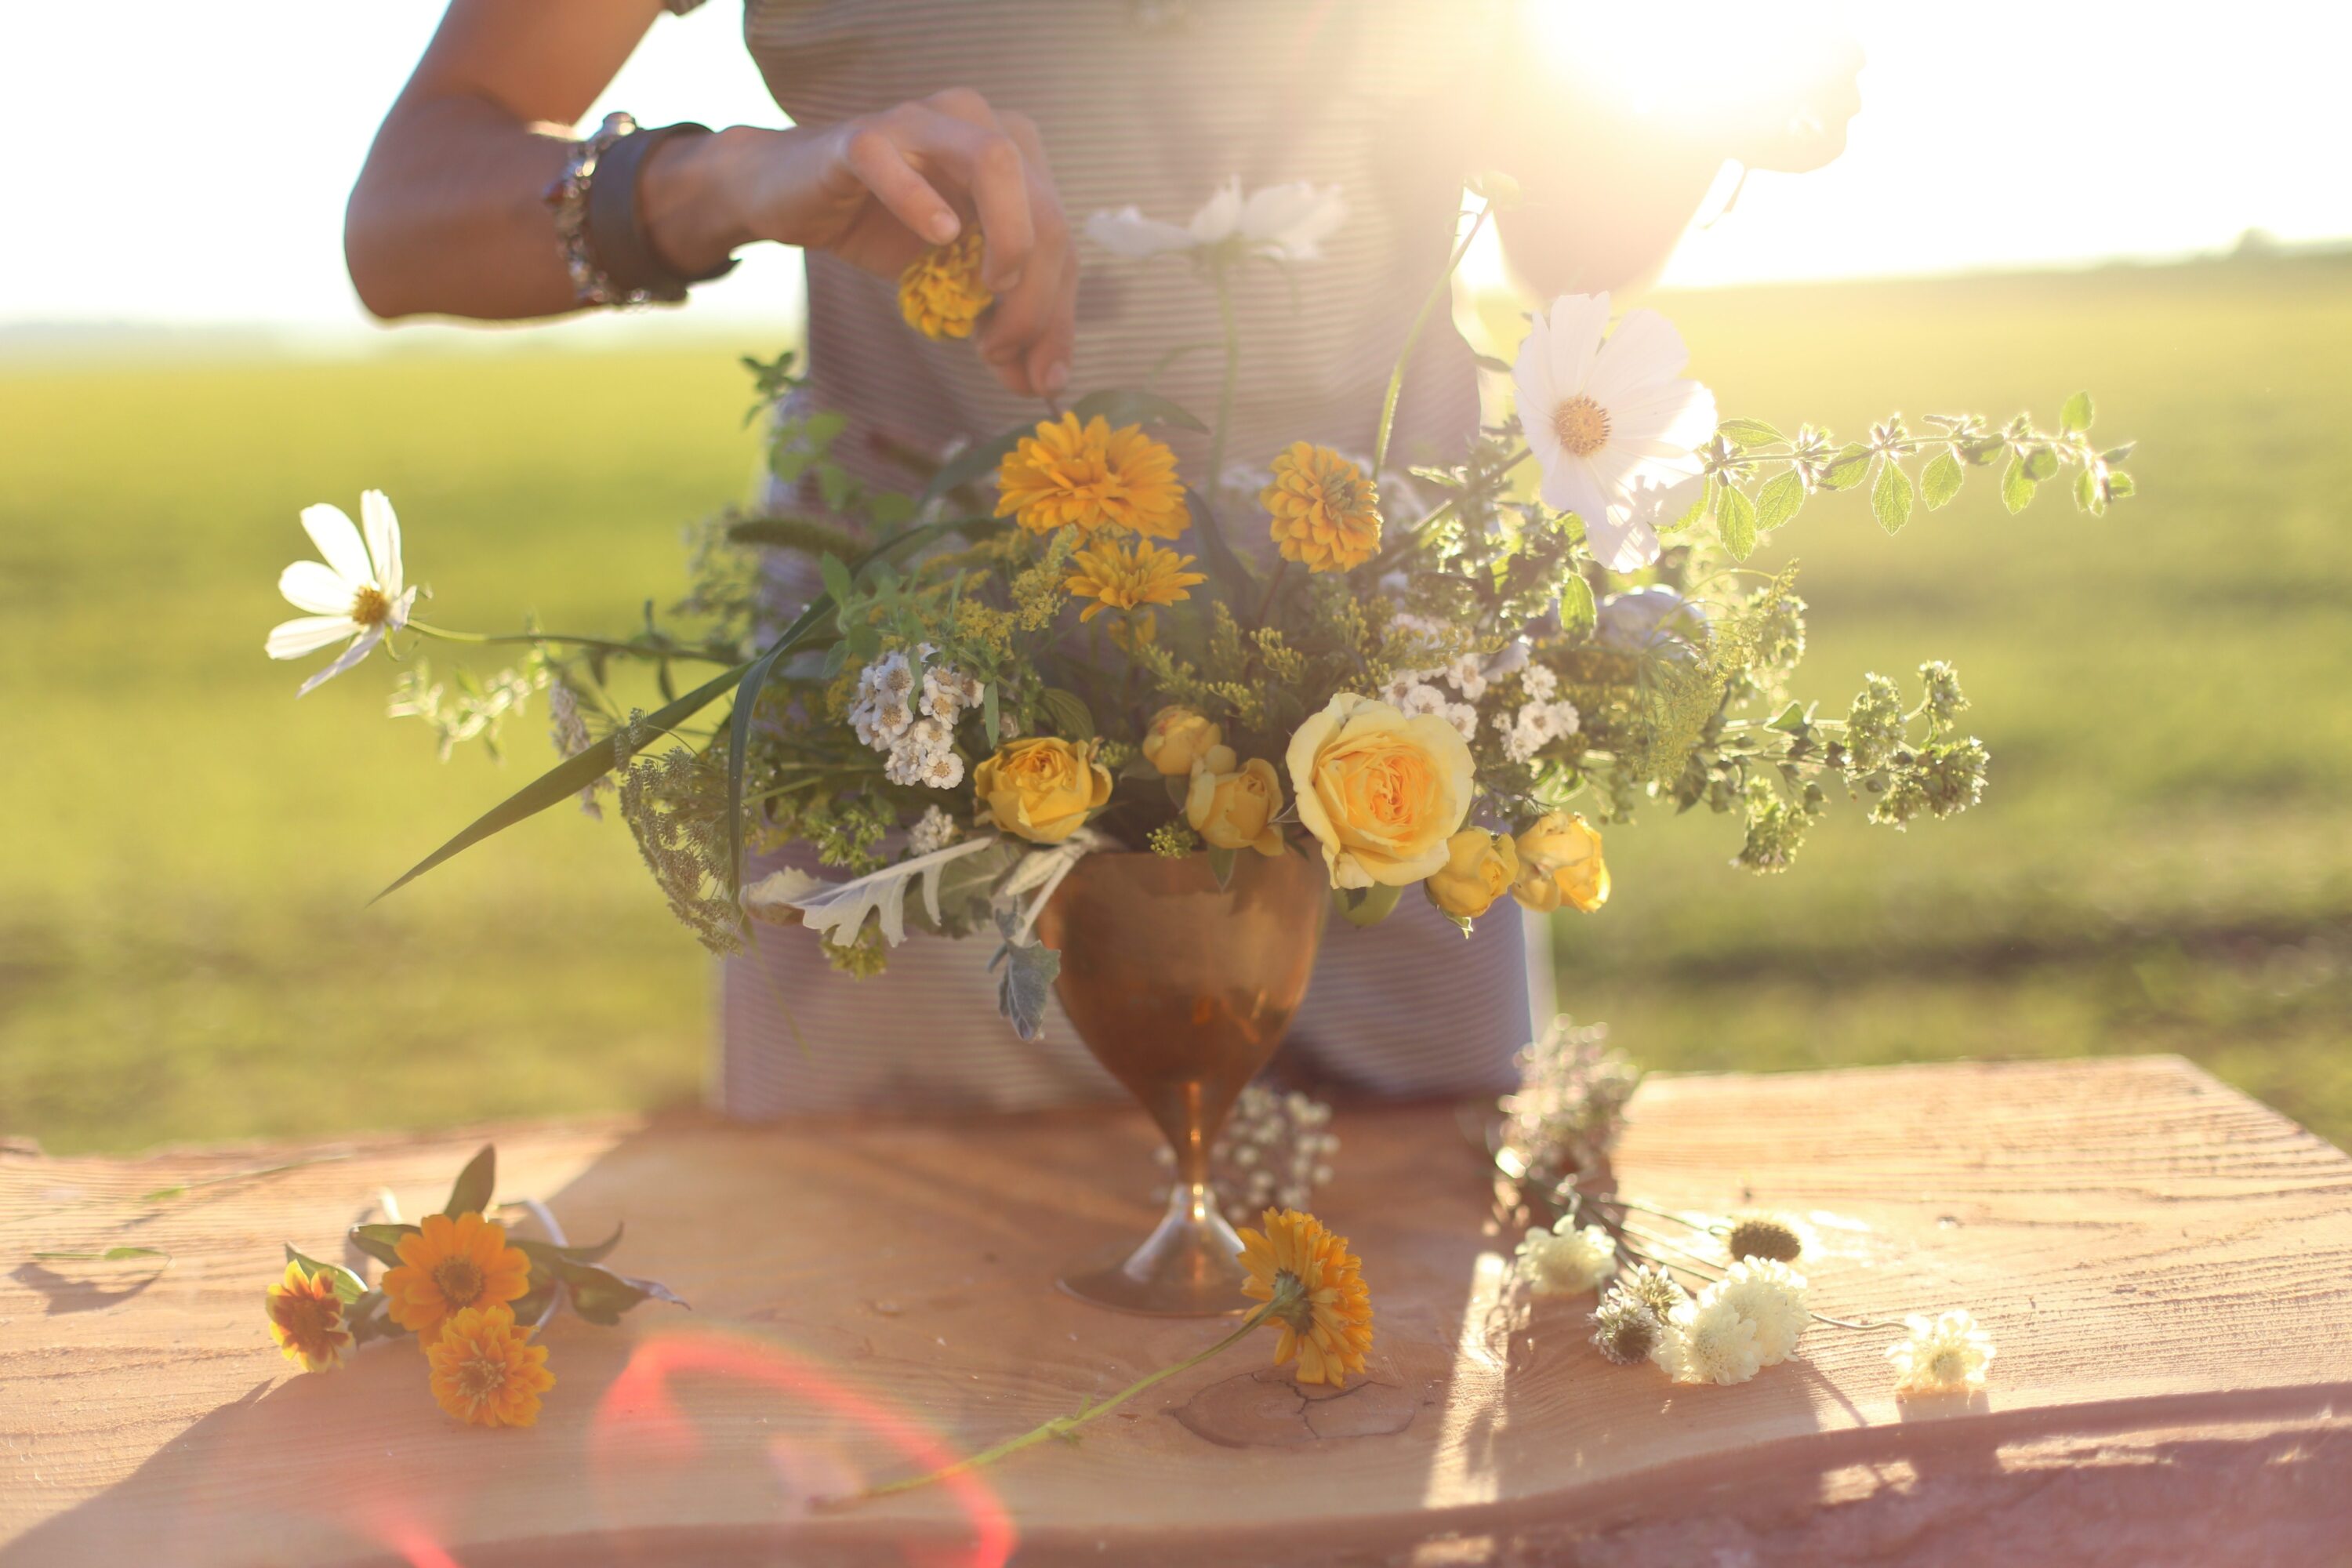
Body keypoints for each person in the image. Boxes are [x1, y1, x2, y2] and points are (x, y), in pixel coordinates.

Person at [349, 0, 1861, 1116]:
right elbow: (402, 217)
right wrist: (736, 178)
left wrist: (1716, 91)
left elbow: (1569, 235)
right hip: (912, 748)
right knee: (881, 1357)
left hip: (1379, 752)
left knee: (1395, 1372)